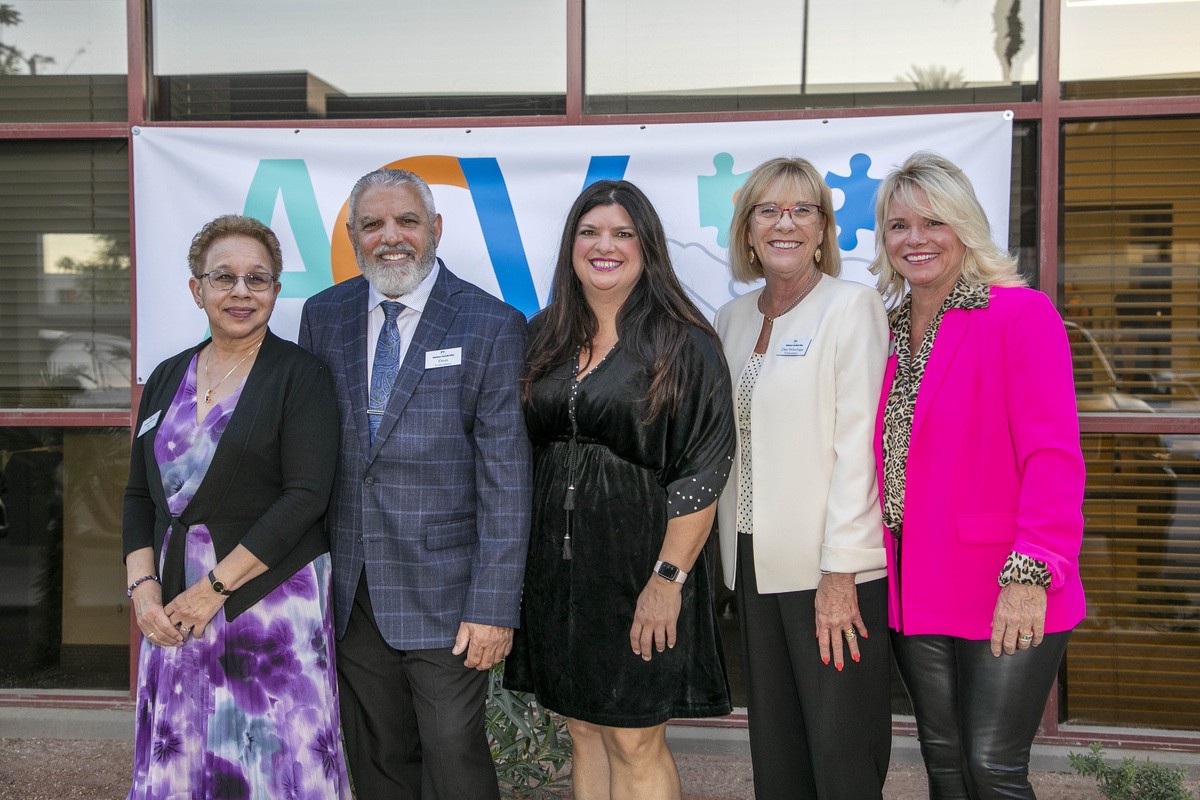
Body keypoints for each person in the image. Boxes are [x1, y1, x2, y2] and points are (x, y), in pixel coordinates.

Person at [298, 168, 531, 800]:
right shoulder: (324, 316)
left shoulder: (491, 324)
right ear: (354, 236)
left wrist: (493, 607)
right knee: (376, 756)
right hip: (352, 588)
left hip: (448, 595)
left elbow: (507, 479)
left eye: (406, 220)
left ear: (436, 228)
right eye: (372, 224)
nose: (390, 237)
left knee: (454, 755)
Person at [504, 180, 735, 800]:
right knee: (582, 729)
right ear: (570, 245)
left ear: (646, 246)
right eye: (590, 232)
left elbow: (702, 472)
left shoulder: (683, 343)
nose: (604, 246)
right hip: (557, 573)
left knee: (635, 738)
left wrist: (667, 581)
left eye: (622, 233)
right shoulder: (543, 335)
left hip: (643, 568)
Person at [870, 151, 1086, 799]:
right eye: (899, 225)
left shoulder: (1020, 314)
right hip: (914, 581)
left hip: (1004, 578)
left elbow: (1052, 456)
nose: (916, 239)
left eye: (933, 222)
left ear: (965, 226)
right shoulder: (884, 328)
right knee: (945, 764)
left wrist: (1032, 571)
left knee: (992, 766)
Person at [123, 215, 349, 799]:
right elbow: (139, 495)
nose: (241, 292)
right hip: (174, 605)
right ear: (196, 289)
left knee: (267, 760)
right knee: (184, 750)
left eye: (258, 278)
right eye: (224, 277)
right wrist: (143, 589)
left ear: (276, 290)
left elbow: (306, 496)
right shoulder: (166, 376)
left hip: (267, 606)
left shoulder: (300, 376)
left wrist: (214, 589)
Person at [712, 157, 892, 799]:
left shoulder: (852, 307)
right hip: (753, 566)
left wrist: (841, 571)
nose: (784, 223)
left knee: (842, 757)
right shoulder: (731, 319)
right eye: (768, 210)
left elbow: (860, 450)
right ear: (748, 229)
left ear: (823, 229)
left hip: (830, 571)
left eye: (802, 210)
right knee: (778, 754)